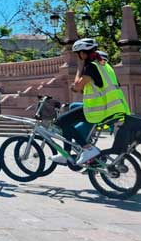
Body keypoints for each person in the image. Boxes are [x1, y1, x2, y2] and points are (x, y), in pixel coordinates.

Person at [51, 38, 131, 166]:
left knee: (61, 121)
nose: (78, 57)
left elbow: (76, 87)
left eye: (78, 55)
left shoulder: (91, 68)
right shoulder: (105, 65)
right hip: (114, 108)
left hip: (100, 110)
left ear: (82, 54)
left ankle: (87, 148)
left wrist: (79, 67)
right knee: (69, 115)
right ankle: (67, 153)